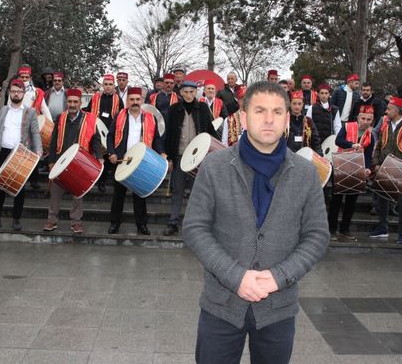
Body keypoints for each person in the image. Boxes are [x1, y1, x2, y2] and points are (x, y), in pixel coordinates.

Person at [182, 81, 329, 364]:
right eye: (260, 110)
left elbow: (317, 236)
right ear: (243, 115)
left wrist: (280, 276)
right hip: (221, 306)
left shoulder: (306, 174)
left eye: (277, 111)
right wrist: (236, 276)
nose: (269, 119)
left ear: (288, 118)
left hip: (279, 308)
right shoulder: (215, 166)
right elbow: (195, 228)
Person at [0, 79, 42, 231]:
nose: (16, 94)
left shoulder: (30, 112)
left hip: (20, 154)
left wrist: (38, 150)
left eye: (19, 91)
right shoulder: (3, 110)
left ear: (23, 93)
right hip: (3, 152)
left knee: (19, 188)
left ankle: (16, 219)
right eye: (13, 91)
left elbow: (35, 132)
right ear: (10, 93)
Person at [107, 87, 166, 236]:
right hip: (122, 160)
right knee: (118, 196)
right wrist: (112, 153)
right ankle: (115, 223)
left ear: (142, 101)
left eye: (137, 99)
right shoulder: (119, 115)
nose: (134, 102)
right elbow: (110, 136)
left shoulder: (149, 118)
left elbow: (157, 139)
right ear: (127, 101)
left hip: (142, 160)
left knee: (140, 195)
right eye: (132, 99)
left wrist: (161, 152)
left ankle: (142, 225)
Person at [163, 81, 219, 236]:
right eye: (186, 92)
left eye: (192, 92)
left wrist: (219, 149)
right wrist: (169, 158)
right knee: (178, 192)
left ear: (196, 93)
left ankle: (195, 226)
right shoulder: (174, 109)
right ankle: (173, 223)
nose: (189, 95)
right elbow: (168, 135)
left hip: (198, 157)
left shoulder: (202, 108)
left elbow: (210, 130)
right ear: (181, 93)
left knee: (197, 193)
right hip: (180, 156)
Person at [44, 88, 104, 233]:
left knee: (78, 194)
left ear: (80, 103)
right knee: (55, 194)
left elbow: (95, 139)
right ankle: (52, 220)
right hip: (60, 160)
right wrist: (51, 161)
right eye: (70, 102)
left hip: (79, 161)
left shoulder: (89, 118)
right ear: (67, 103)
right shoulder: (60, 117)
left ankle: (76, 222)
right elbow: (53, 140)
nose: (72, 104)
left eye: (75, 102)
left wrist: (98, 156)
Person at [369, 97, 402, 244]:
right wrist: (376, 162)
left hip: (401, 166)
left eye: (389, 109)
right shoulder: (385, 124)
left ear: (397, 110)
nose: (386, 111)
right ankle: (382, 228)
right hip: (385, 165)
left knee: (401, 201)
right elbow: (379, 145)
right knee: (382, 198)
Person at [328, 105, 376, 241]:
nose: (365, 121)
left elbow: (367, 155)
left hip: (357, 169)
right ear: (358, 117)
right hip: (342, 166)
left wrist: (367, 168)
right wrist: (351, 145)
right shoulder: (348, 126)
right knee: (336, 200)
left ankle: (344, 229)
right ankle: (331, 229)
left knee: (351, 201)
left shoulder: (370, 135)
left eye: (369, 119)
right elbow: (338, 140)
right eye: (363, 118)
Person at [86, 74, 124, 192]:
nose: (108, 87)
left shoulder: (118, 99)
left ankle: (102, 182)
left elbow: (122, 115)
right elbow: (87, 111)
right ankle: (92, 180)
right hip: (95, 131)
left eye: (110, 84)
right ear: (102, 85)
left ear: (114, 86)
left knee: (107, 158)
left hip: (110, 133)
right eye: (106, 84)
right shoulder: (96, 97)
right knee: (95, 156)